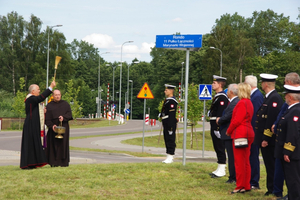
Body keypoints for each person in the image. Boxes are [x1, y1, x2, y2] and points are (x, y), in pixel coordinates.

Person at [271, 72, 300, 199]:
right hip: (289, 152)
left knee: (293, 180)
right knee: (290, 179)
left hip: (293, 153)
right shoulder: (291, 109)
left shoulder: (295, 111)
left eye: (286, 96)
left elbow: (293, 133)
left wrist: (287, 151)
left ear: (291, 97)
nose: (285, 98)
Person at [254, 73, 283, 196]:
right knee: (268, 164)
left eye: (262, 83)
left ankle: (272, 188)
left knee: (271, 165)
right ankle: (270, 187)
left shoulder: (274, 98)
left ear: (265, 84)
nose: (261, 84)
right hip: (264, 137)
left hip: (269, 140)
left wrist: (266, 138)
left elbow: (271, 120)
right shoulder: (268, 97)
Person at [20, 80, 56, 169]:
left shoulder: (33, 100)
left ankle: (33, 163)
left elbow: (35, 109)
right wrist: (50, 87)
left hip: (34, 124)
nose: (39, 91)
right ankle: (28, 163)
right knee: (30, 144)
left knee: (34, 143)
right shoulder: (30, 98)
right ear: (33, 91)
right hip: (31, 125)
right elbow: (41, 98)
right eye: (38, 89)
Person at [226, 83, 254, 194]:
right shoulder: (249, 102)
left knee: (239, 162)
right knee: (245, 161)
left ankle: (240, 185)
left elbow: (237, 120)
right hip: (248, 132)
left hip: (241, 134)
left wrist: (229, 130)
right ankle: (246, 184)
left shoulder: (242, 103)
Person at [216, 84, 239, 184]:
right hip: (227, 133)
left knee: (232, 157)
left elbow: (228, 116)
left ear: (231, 92)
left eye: (228, 91)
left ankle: (233, 177)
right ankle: (232, 176)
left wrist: (220, 120)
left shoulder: (235, 102)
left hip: (230, 133)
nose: (227, 93)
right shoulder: (232, 102)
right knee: (231, 156)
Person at [244, 75, 264, 190]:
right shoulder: (254, 96)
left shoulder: (256, 97)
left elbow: (254, 117)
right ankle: (250, 180)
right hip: (252, 131)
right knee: (250, 156)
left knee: (253, 156)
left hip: (254, 132)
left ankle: (254, 181)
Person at [45, 90, 73, 167]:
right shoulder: (49, 106)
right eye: (56, 95)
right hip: (53, 128)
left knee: (63, 145)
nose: (57, 96)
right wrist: (51, 125)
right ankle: (53, 162)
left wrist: (63, 117)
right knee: (53, 145)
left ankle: (63, 162)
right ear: (53, 96)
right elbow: (47, 119)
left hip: (63, 127)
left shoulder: (65, 104)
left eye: (59, 95)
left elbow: (70, 115)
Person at [209, 75, 229, 178]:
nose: (212, 85)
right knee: (217, 147)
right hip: (213, 123)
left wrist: (217, 128)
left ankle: (222, 169)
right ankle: (219, 167)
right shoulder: (217, 96)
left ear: (220, 84)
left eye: (214, 83)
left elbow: (220, 115)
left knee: (220, 147)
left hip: (217, 126)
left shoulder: (222, 97)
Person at [160, 84, 178, 164]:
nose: (165, 91)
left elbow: (171, 115)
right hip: (166, 122)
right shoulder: (167, 100)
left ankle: (170, 156)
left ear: (171, 91)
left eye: (166, 90)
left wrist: (170, 127)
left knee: (170, 139)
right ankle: (168, 156)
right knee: (167, 139)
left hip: (169, 123)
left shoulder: (172, 102)